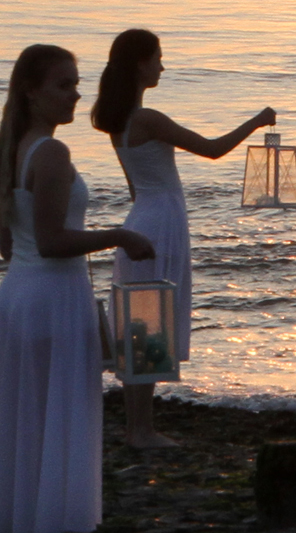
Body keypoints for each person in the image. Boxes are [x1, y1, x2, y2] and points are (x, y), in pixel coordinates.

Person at [0, 44, 154, 533]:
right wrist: (120, 235)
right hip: (50, 298)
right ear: (31, 91)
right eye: (64, 84)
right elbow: (52, 242)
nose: (76, 93)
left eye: (76, 84)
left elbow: (11, 245)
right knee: (47, 420)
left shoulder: (12, 150)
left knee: (27, 423)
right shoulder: (49, 153)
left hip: (21, 297)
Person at [89, 27, 274, 449]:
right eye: (157, 57)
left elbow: (136, 188)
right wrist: (257, 120)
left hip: (146, 216)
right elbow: (212, 149)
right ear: (140, 63)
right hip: (159, 223)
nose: (162, 65)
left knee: (144, 321)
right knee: (151, 320)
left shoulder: (119, 122)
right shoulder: (146, 118)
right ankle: (141, 429)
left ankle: (139, 425)